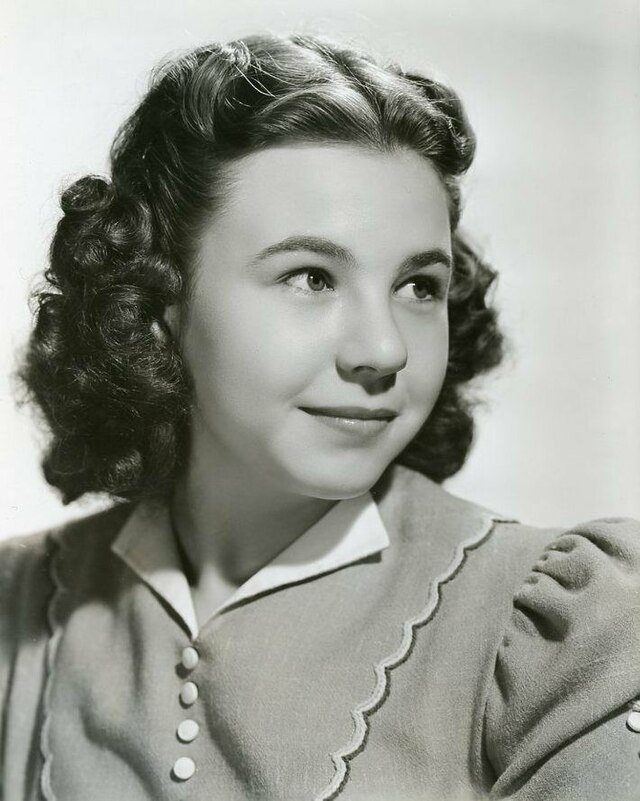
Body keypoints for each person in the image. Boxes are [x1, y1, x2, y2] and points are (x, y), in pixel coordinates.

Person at [1, 32, 638, 801]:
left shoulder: (560, 632)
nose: (382, 348)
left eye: (419, 286)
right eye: (311, 276)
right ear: (158, 300)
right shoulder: (23, 609)